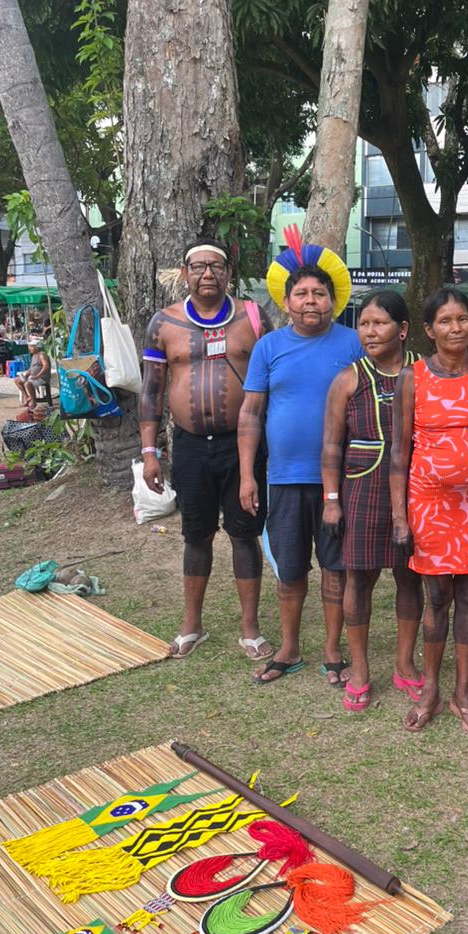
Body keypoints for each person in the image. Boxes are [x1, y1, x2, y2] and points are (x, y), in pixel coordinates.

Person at [239, 228, 362, 686]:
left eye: (319, 293)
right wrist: (248, 475)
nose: (311, 300)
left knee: (335, 568)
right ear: (287, 302)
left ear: (333, 300)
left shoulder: (354, 343)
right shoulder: (269, 347)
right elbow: (251, 413)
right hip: (284, 479)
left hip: (341, 481)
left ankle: (333, 649)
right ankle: (289, 648)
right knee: (289, 570)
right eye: (302, 293)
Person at [140, 239, 272, 660]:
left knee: (244, 533)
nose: (207, 273)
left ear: (229, 272)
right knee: (196, 535)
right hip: (191, 446)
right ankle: (191, 625)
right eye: (198, 267)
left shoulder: (253, 317)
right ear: (185, 274)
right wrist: (149, 452)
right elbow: (151, 391)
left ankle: (250, 628)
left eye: (216, 266)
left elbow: (276, 377)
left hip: (244, 445)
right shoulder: (164, 323)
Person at [390, 288, 468, 734]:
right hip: (429, 505)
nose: (455, 328)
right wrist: (400, 517)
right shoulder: (412, 377)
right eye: (445, 321)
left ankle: (463, 691)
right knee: (436, 598)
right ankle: (431, 690)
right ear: (428, 329)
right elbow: (400, 453)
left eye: (462, 319)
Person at [321, 290, 424, 712]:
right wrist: (331, 499)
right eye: (363, 324)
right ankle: (361, 669)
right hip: (362, 487)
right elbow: (331, 445)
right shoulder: (349, 379)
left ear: (402, 329)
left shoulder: (423, 372)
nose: (369, 331)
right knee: (358, 579)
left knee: (409, 577)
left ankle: (404, 663)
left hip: (415, 489)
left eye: (379, 323)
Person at [13, 339, 50, 406]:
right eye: (29, 347)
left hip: (42, 377)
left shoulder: (41, 355)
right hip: (33, 377)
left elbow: (46, 366)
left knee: (28, 383)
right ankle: (26, 396)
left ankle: (33, 401)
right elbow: (31, 369)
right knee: (17, 380)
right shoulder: (33, 356)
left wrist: (37, 376)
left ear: (37, 347)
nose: (29, 348)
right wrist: (26, 376)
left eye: (31, 346)